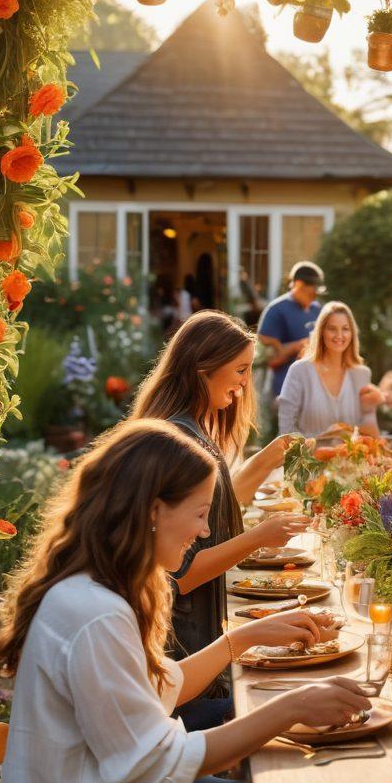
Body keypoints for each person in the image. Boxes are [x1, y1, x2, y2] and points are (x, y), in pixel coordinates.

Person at [0, 420, 371, 783]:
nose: (203, 532)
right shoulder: (95, 615)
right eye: (198, 514)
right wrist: (291, 707)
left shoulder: (93, 592)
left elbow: (158, 687)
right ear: (152, 510)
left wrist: (240, 639)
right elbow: (152, 770)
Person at [132, 311, 311, 731]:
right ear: (203, 371)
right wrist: (260, 537)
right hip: (183, 654)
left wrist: (268, 457)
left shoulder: (186, 430)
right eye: (241, 370)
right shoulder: (180, 440)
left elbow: (221, 503)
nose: (245, 382)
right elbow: (184, 574)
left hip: (190, 649)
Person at [278, 301, 384, 438]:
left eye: (345, 329)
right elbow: (285, 431)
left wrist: (370, 410)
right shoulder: (300, 371)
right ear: (321, 332)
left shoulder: (361, 373)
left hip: (349, 458)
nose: (339, 335)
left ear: (352, 333)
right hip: (307, 457)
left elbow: (368, 434)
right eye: (332, 329)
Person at [257, 260, 325, 399]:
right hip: (285, 391)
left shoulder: (318, 309)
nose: (315, 296)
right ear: (299, 284)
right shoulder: (276, 310)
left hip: (317, 389)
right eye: (313, 292)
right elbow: (268, 359)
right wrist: (299, 346)